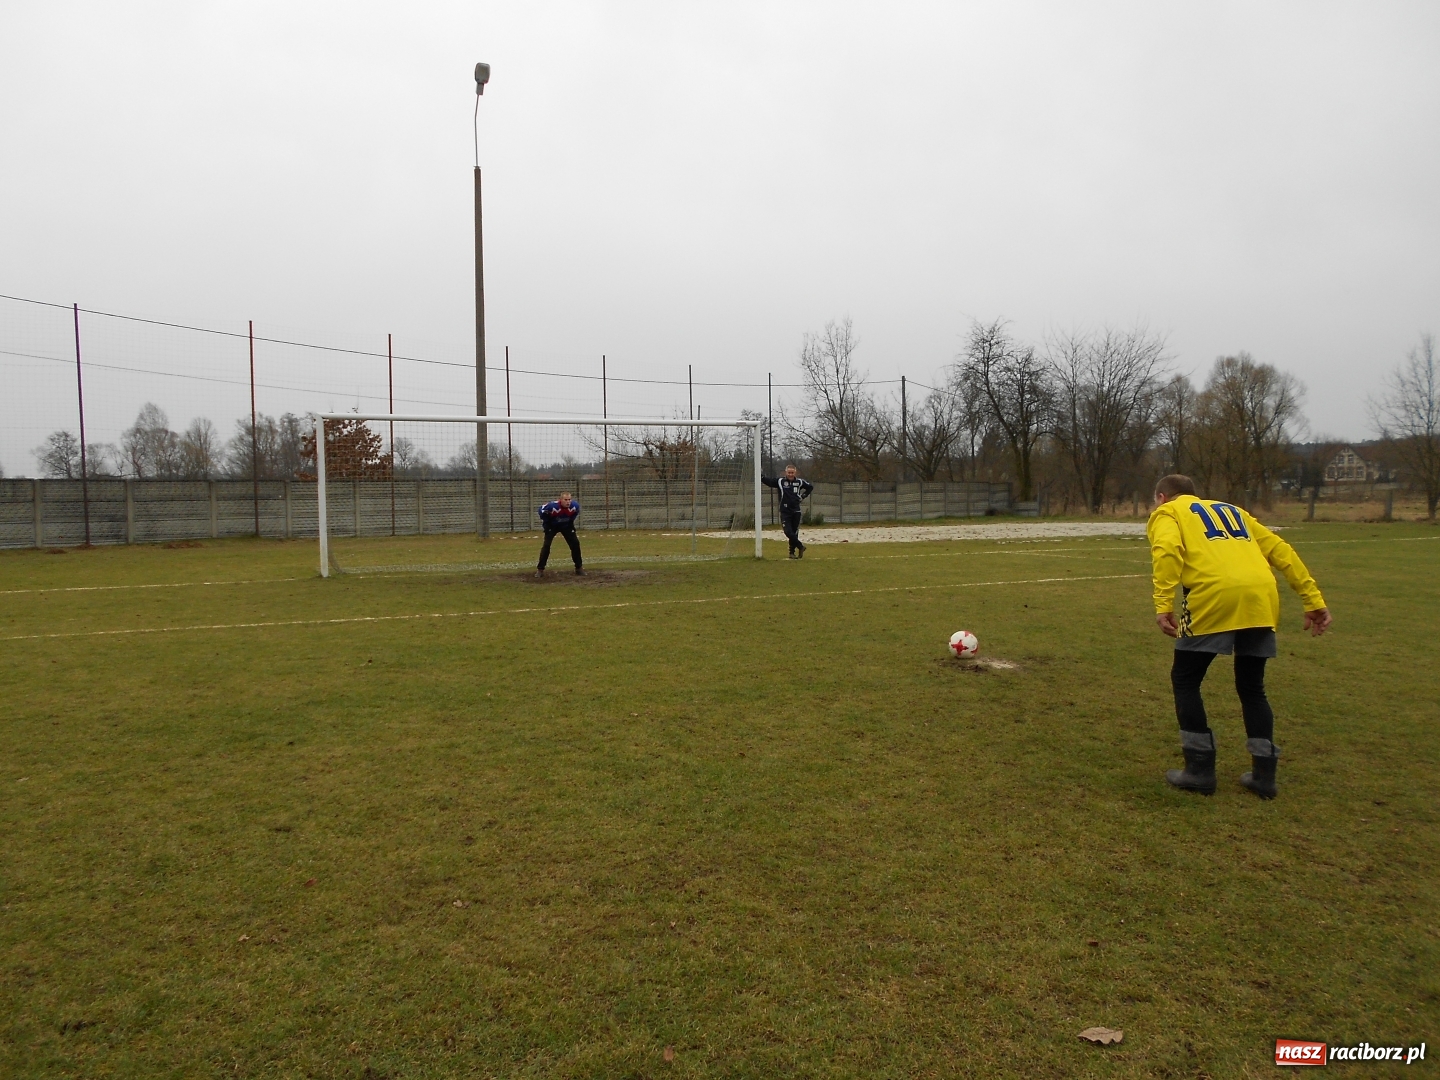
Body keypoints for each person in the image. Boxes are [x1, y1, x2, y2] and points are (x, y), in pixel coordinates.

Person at [1148, 474, 1331, 799]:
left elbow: (1166, 549)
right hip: (1260, 596)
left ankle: (1199, 770)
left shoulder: (1168, 513)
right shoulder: (1233, 511)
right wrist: (1312, 599)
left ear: (1162, 497)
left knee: (1185, 680)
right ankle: (1264, 776)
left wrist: (1163, 603)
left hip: (1214, 596)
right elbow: (1280, 550)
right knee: (1252, 687)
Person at [762, 464, 814, 558]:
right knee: (788, 532)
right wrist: (761, 476)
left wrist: (803, 496)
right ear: (786, 472)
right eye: (789, 472)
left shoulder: (799, 482)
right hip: (785, 510)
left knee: (794, 532)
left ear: (795, 473)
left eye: (792, 472)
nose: (790, 474)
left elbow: (810, 487)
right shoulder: (780, 481)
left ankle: (792, 553)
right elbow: (769, 482)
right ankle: (800, 546)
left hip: (796, 511)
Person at [536, 491, 584, 577]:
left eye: (569, 499)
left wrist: (570, 523)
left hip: (566, 526)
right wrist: (547, 523)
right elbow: (541, 510)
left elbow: (574, 514)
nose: (568, 502)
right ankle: (540, 569)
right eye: (565, 500)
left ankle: (579, 568)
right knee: (546, 546)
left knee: (575, 544)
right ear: (560, 500)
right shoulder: (552, 506)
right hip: (552, 526)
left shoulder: (575, 506)